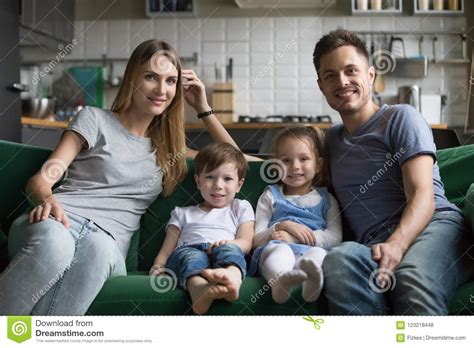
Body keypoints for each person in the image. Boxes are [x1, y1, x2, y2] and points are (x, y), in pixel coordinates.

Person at [0, 39, 243, 315]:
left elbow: (235, 163)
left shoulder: (171, 150)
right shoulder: (94, 119)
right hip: (58, 222)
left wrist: (204, 109)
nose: (161, 90)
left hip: (107, 242)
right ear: (132, 78)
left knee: (98, 249)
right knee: (56, 245)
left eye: (170, 81)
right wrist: (47, 198)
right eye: (151, 77)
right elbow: (42, 179)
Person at [313, 29, 473, 314]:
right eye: (330, 75)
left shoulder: (401, 117)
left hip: (433, 227)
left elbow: (422, 193)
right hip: (372, 244)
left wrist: (397, 245)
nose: (342, 81)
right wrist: (205, 113)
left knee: (411, 277)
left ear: (370, 75)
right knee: (338, 260)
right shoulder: (330, 141)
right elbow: (255, 163)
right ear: (321, 86)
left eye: (351, 70)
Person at [149, 143, 255, 314]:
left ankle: (232, 277)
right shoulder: (182, 213)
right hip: (189, 249)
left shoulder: (240, 207)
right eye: (210, 177)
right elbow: (168, 248)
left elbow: (246, 242)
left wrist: (230, 243)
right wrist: (158, 265)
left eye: (227, 179)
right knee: (190, 258)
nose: (218, 185)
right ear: (198, 181)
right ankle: (198, 289)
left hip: (223, 248)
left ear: (239, 185)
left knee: (231, 251)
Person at [251, 126, 342, 304]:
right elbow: (255, 239)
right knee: (281, 251)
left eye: (304, 159)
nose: (295, 166)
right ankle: (279, 282)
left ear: (318, 165)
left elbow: (335, 237)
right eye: (286, 160)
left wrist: (296, 238)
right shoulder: (270, 195)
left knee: (318, 255)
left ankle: (311, 284)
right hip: (275, 246)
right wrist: (280, 227)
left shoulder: (327, 198)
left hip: (310, 249)